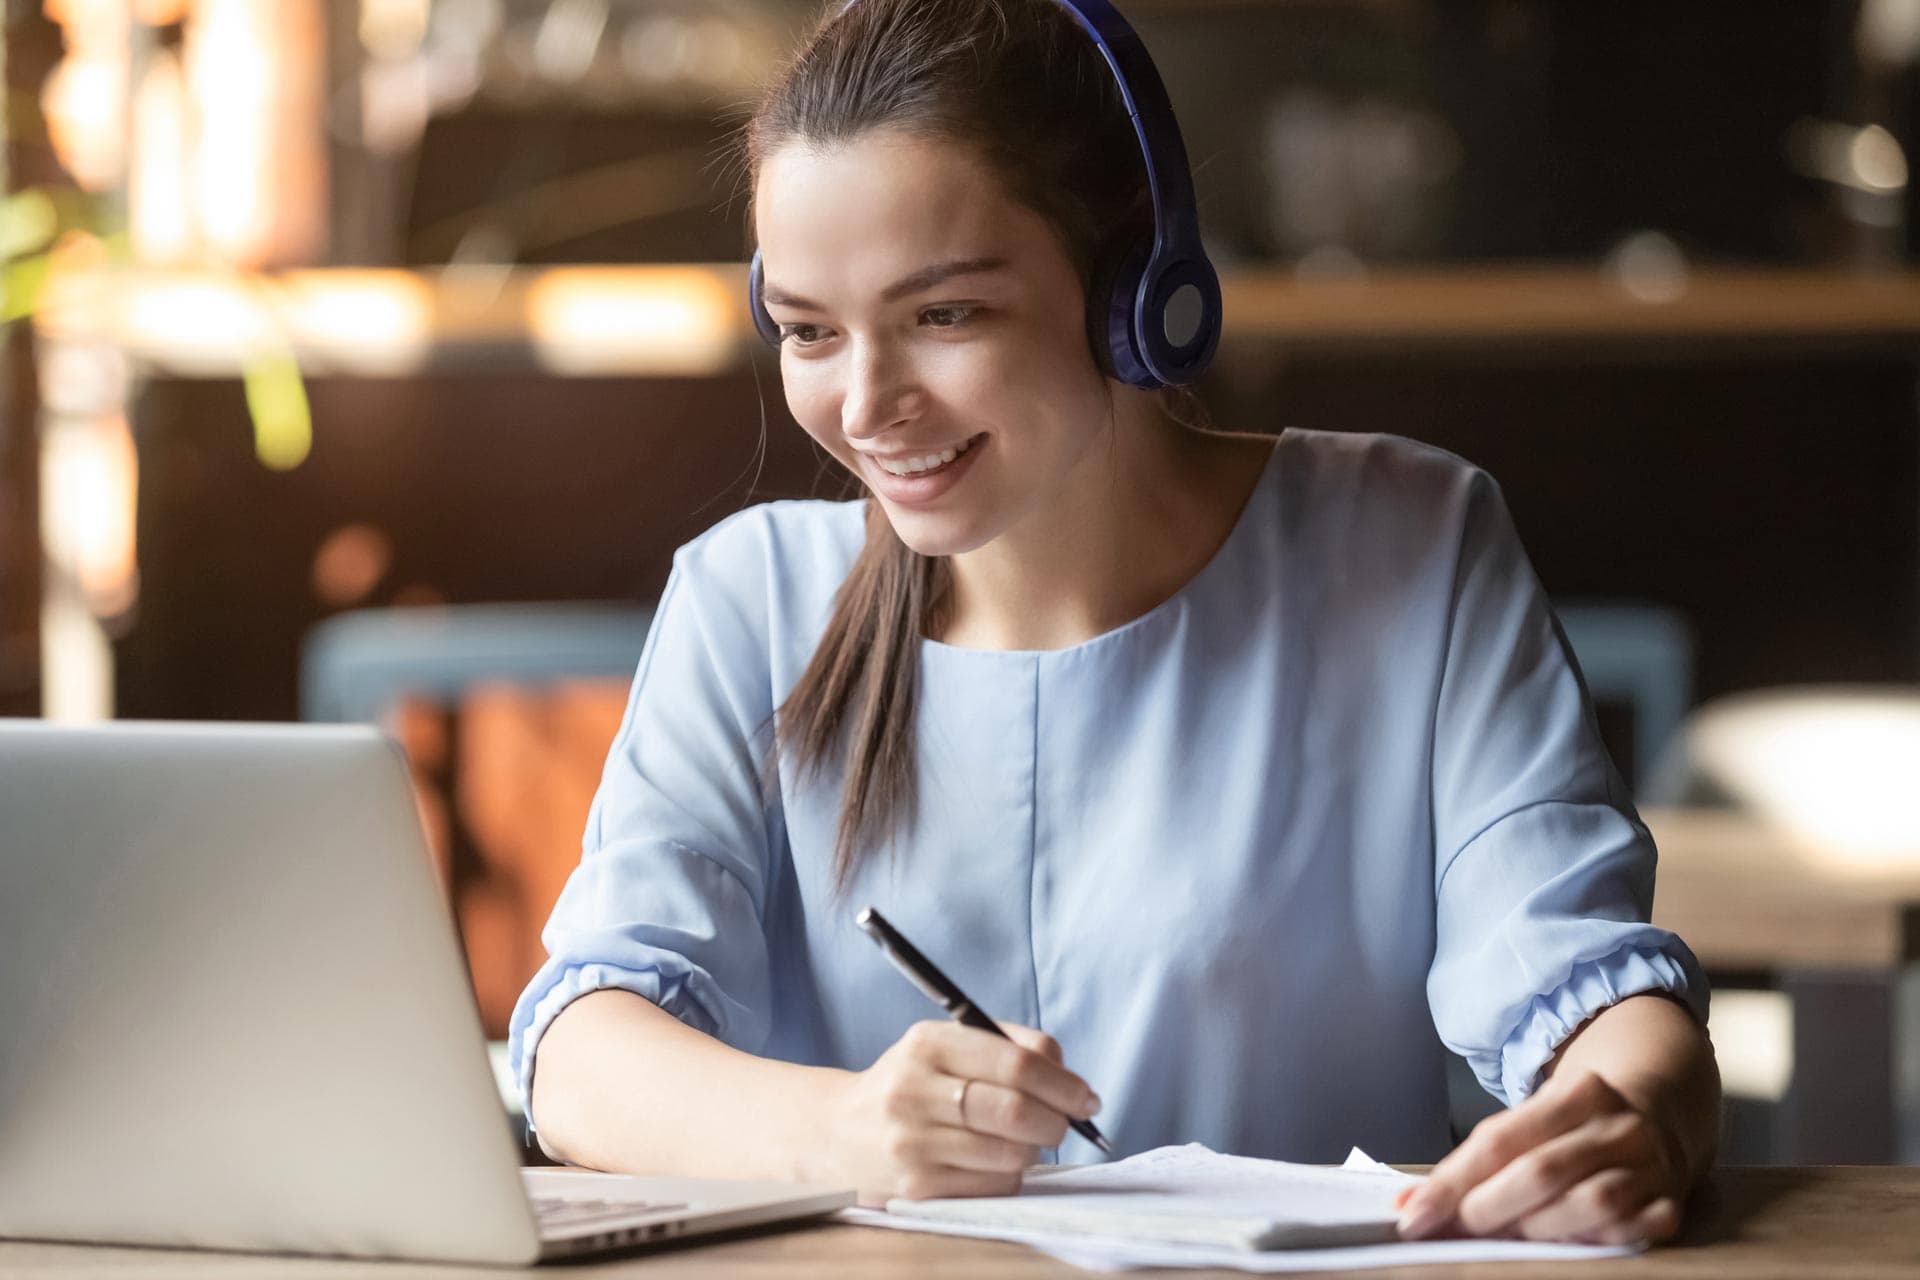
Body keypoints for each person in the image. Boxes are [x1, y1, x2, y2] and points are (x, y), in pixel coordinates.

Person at [509, 0, 1721, 1246]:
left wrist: (1637, 1115)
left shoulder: (1411, 544)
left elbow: (1585, 982)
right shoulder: (749, 595)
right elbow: (580, 1052)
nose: (865, 406)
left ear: (1134, 291)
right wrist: (847, 1129)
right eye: (811, 330)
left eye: (944, 315)